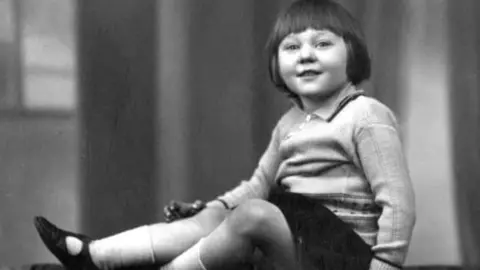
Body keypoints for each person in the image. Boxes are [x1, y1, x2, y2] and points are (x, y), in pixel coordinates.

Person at [34, 0, 416, 269]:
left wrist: (385, 265)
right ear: (276, 64)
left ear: (353, 54)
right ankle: (96, 255)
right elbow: (257, 186)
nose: (306, 55)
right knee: (224, 214)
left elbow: (398, 202)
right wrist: (213, 207)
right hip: (297, 246)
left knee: (253, 216)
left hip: (346, 258)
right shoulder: (290, 123)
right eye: (292, 46)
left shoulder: (366, 115)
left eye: (322, 43)